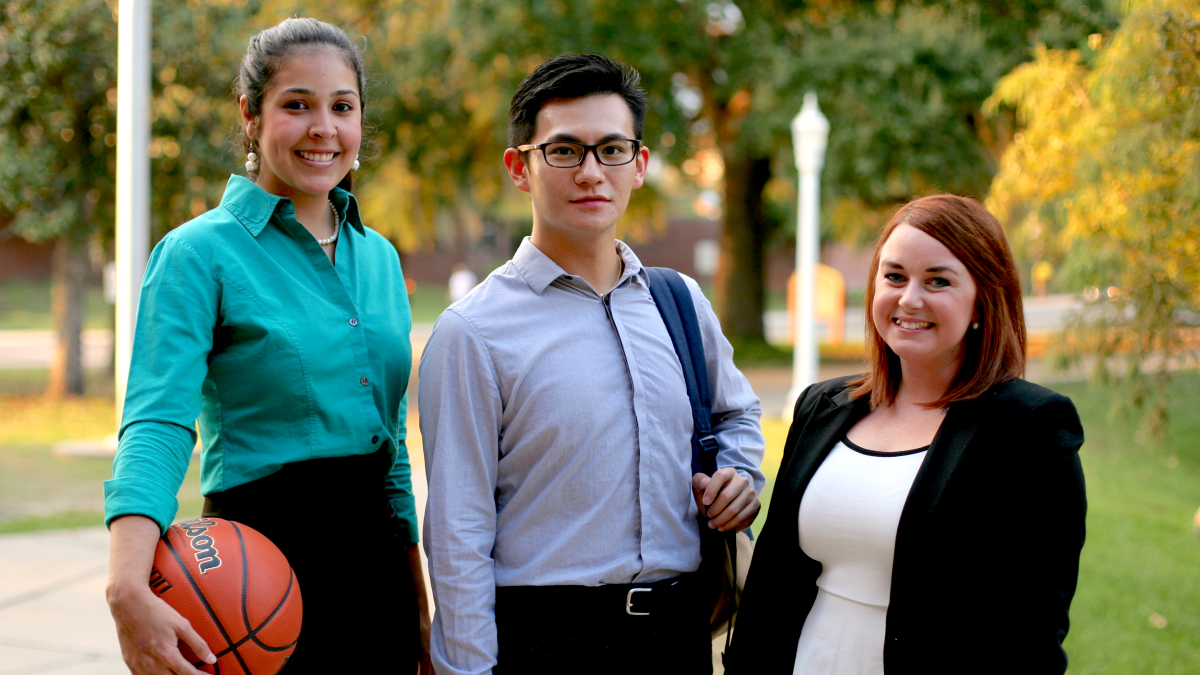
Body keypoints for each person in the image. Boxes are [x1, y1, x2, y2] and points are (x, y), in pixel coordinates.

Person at [418, 53, 766, 675]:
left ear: (639, 166)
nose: (590, 173)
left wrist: (740, 477)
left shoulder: (679, 301)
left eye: (611, 150)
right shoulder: (472, 332)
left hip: (678, 638)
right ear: (519, 168)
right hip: (547, 644)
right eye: (563, 151)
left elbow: (737, 414)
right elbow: (456, 533)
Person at [103, 18, 431, 675]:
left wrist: (416, 600)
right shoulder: (198, 254)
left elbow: (389, 442)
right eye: (297, 105)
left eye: (342, 107)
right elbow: (158, 421)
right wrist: (126, 583)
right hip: (256, 572)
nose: (324, 128)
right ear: (251, 115)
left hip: (378, 575)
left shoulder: (380, 258)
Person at [725, 194, 1087, 675]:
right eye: (894, 276)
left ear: (982, 300)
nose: (909, 298)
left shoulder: (1028, 427)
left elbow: (1032, 631)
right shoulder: (822, 407)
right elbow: (773, 585)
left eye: (938, 280)